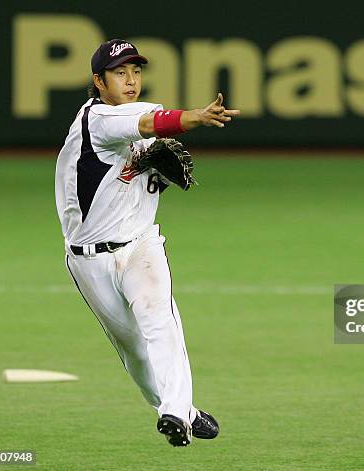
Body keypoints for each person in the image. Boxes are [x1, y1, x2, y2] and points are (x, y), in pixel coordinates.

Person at [54, 39, 240, 447]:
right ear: (99, 82)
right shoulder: (97, 119)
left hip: (140, 245)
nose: (131, 80)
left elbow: (146, 141)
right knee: (134, 349)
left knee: (159, 317)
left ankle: (175, 409)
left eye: (136, 72)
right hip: (89, 260)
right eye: (120, 73)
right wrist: (196, 116)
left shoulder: (136, 114)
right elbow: (150, 123)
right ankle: (181, 412)